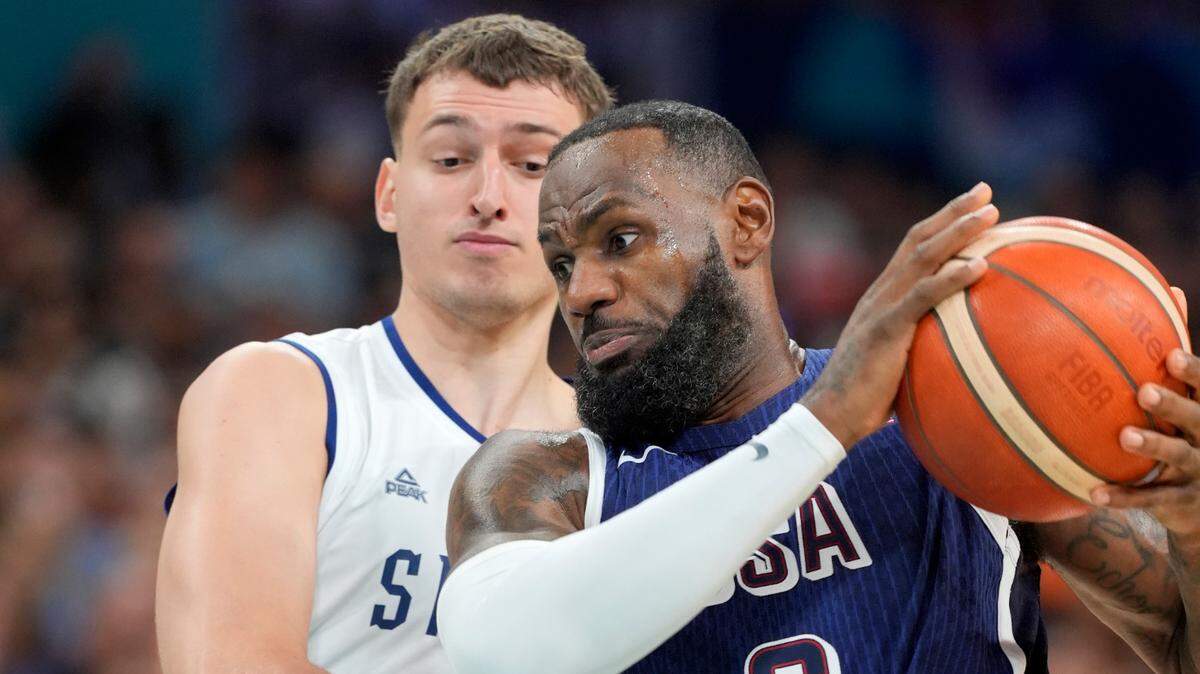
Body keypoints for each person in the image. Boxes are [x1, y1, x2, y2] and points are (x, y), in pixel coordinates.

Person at [438, 100, 1200, 674]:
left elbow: (1177, 640)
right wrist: (825, 420)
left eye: (621, 240)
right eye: (562, 263)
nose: (582, 294)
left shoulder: (954, 412)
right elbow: (501, 648)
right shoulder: (545, 477)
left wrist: (1194, 530)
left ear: (746, 220)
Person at [155, 15, 612, 673]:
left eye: (532, 164)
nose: (488, 197)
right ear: (389, 195)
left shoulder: (629, 458)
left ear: (590, 213)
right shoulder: (279, 392)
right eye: (452, 160)